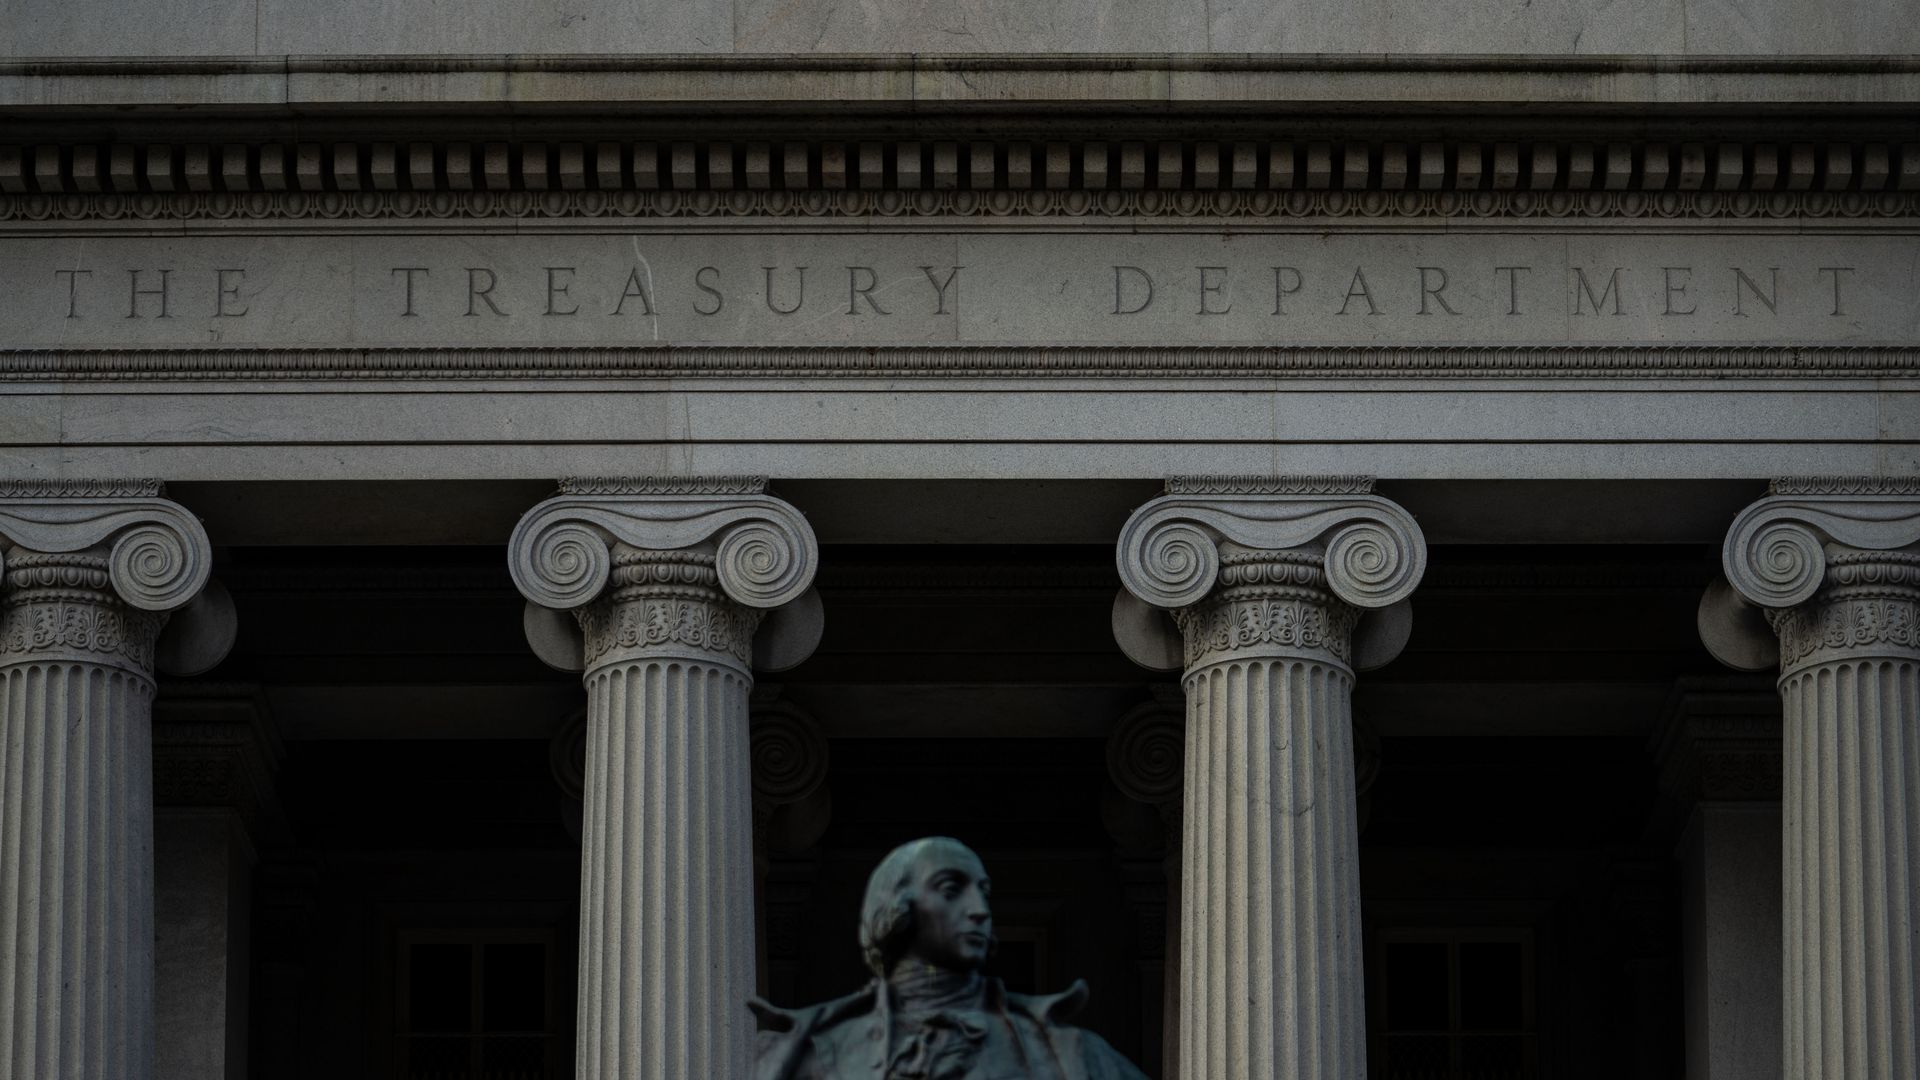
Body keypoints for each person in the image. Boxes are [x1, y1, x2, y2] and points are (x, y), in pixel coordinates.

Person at [750, 836, 1151, 1080]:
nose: (980, 909)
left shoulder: (1073, 1054)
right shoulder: (808, 1054)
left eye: (984, 891)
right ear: (896, 908)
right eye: (950, 888)